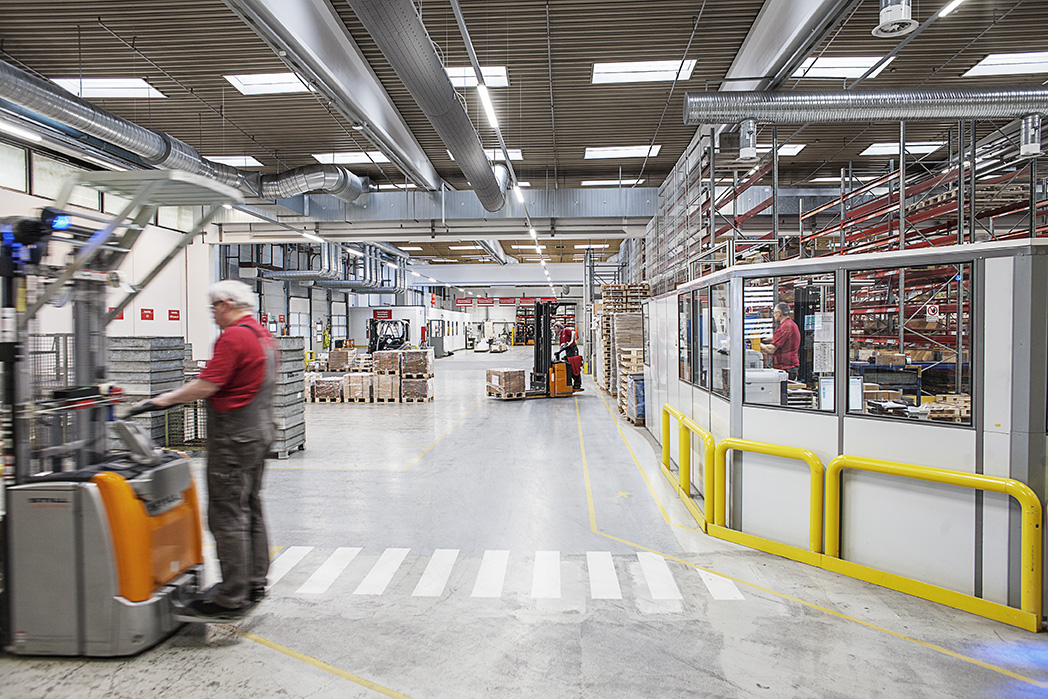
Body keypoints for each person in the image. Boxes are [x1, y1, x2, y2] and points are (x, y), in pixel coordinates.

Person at [144, 280, 277, 619]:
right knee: (250, 506)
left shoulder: (233, 336)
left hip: (234, 437)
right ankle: (254, 581)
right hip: (259, 432)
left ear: (226, 304)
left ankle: (231, 596)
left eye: (214, 309)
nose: (214, 316)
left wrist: (167, 398)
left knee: (226, 513)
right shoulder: (262, 335)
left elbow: (208, 385)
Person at [762, 302, 801, 381]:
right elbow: (777, 336)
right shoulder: (790, 324)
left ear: (779, 313)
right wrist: (762, 339)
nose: (773, 315)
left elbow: (771, 349)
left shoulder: (785, 326)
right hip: (787, 367)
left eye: (774, 313)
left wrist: (754, 343)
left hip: (786, 369)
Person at [554, 322, 584, 391]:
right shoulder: (561, 337)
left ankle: (577, 384)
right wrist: (558, 353)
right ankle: (569, 382)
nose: (555, 330)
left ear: (559, 327)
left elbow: (573, 332)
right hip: (568, 352)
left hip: (573, 350)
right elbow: (562, 346)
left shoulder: (565, 330)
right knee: (568, 366)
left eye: (555, 328)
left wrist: (571, 341)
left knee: (574, 366)